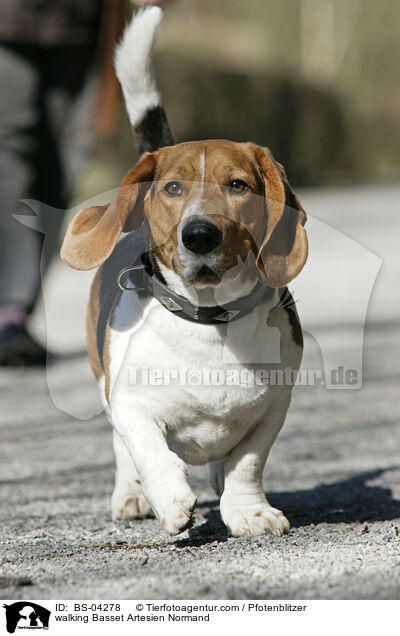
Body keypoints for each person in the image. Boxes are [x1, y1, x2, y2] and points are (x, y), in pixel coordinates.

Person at [0, 0, 174, 366]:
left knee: (63, 161)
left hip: (79, 22)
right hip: (9, 22)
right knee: (10, 151)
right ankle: (9, 308)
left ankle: (16, 308)